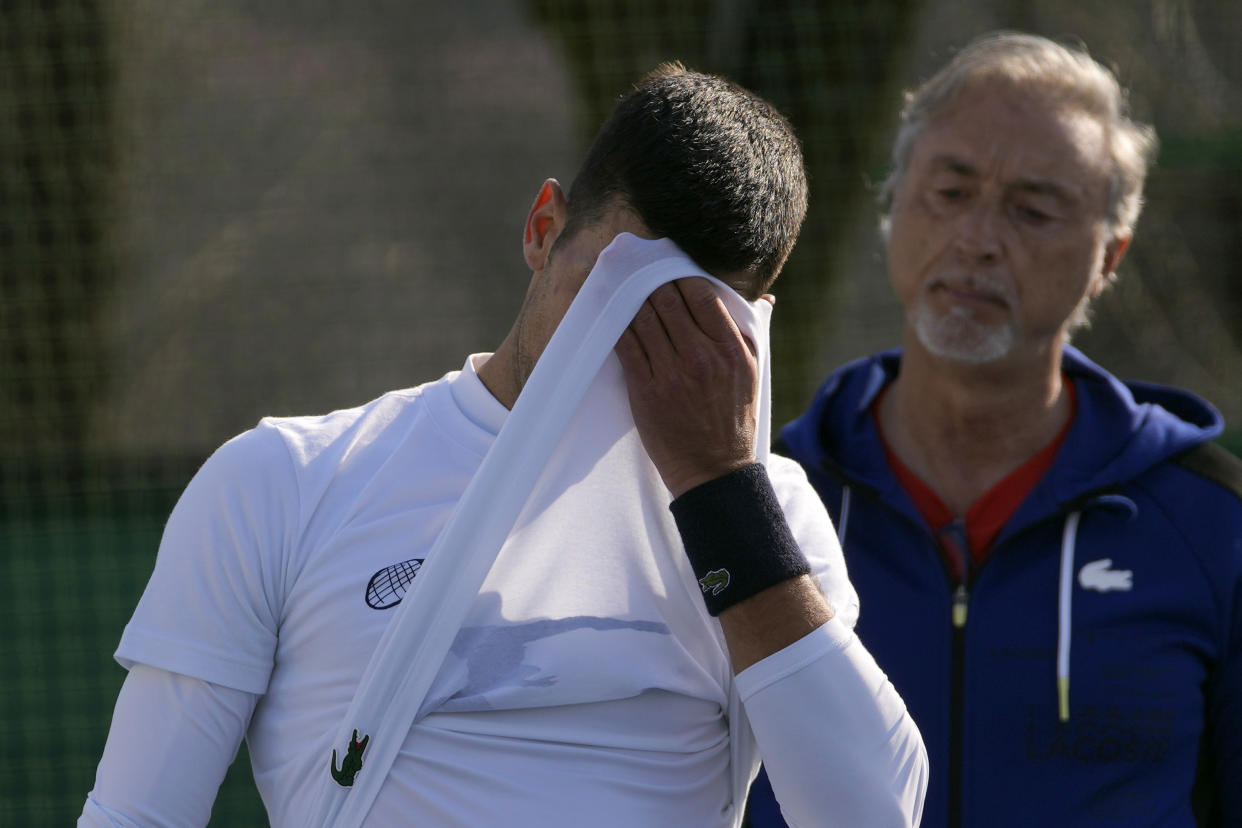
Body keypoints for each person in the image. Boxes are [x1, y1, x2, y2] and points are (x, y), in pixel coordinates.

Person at [80, 64, 927, 827]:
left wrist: (719, 488)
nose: (639, 343)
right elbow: (136, 815)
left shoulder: (767, 516)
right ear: (542, 228)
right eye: (616, 287)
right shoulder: (284, 483)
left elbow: (871, 813)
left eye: (695, 318)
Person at [749, 31, 1242, 828]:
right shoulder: (762, 504)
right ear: (892, 206)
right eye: (951, 192)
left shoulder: (1213, 528)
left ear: (1108, 256)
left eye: (1033, 210)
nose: (977, 239)